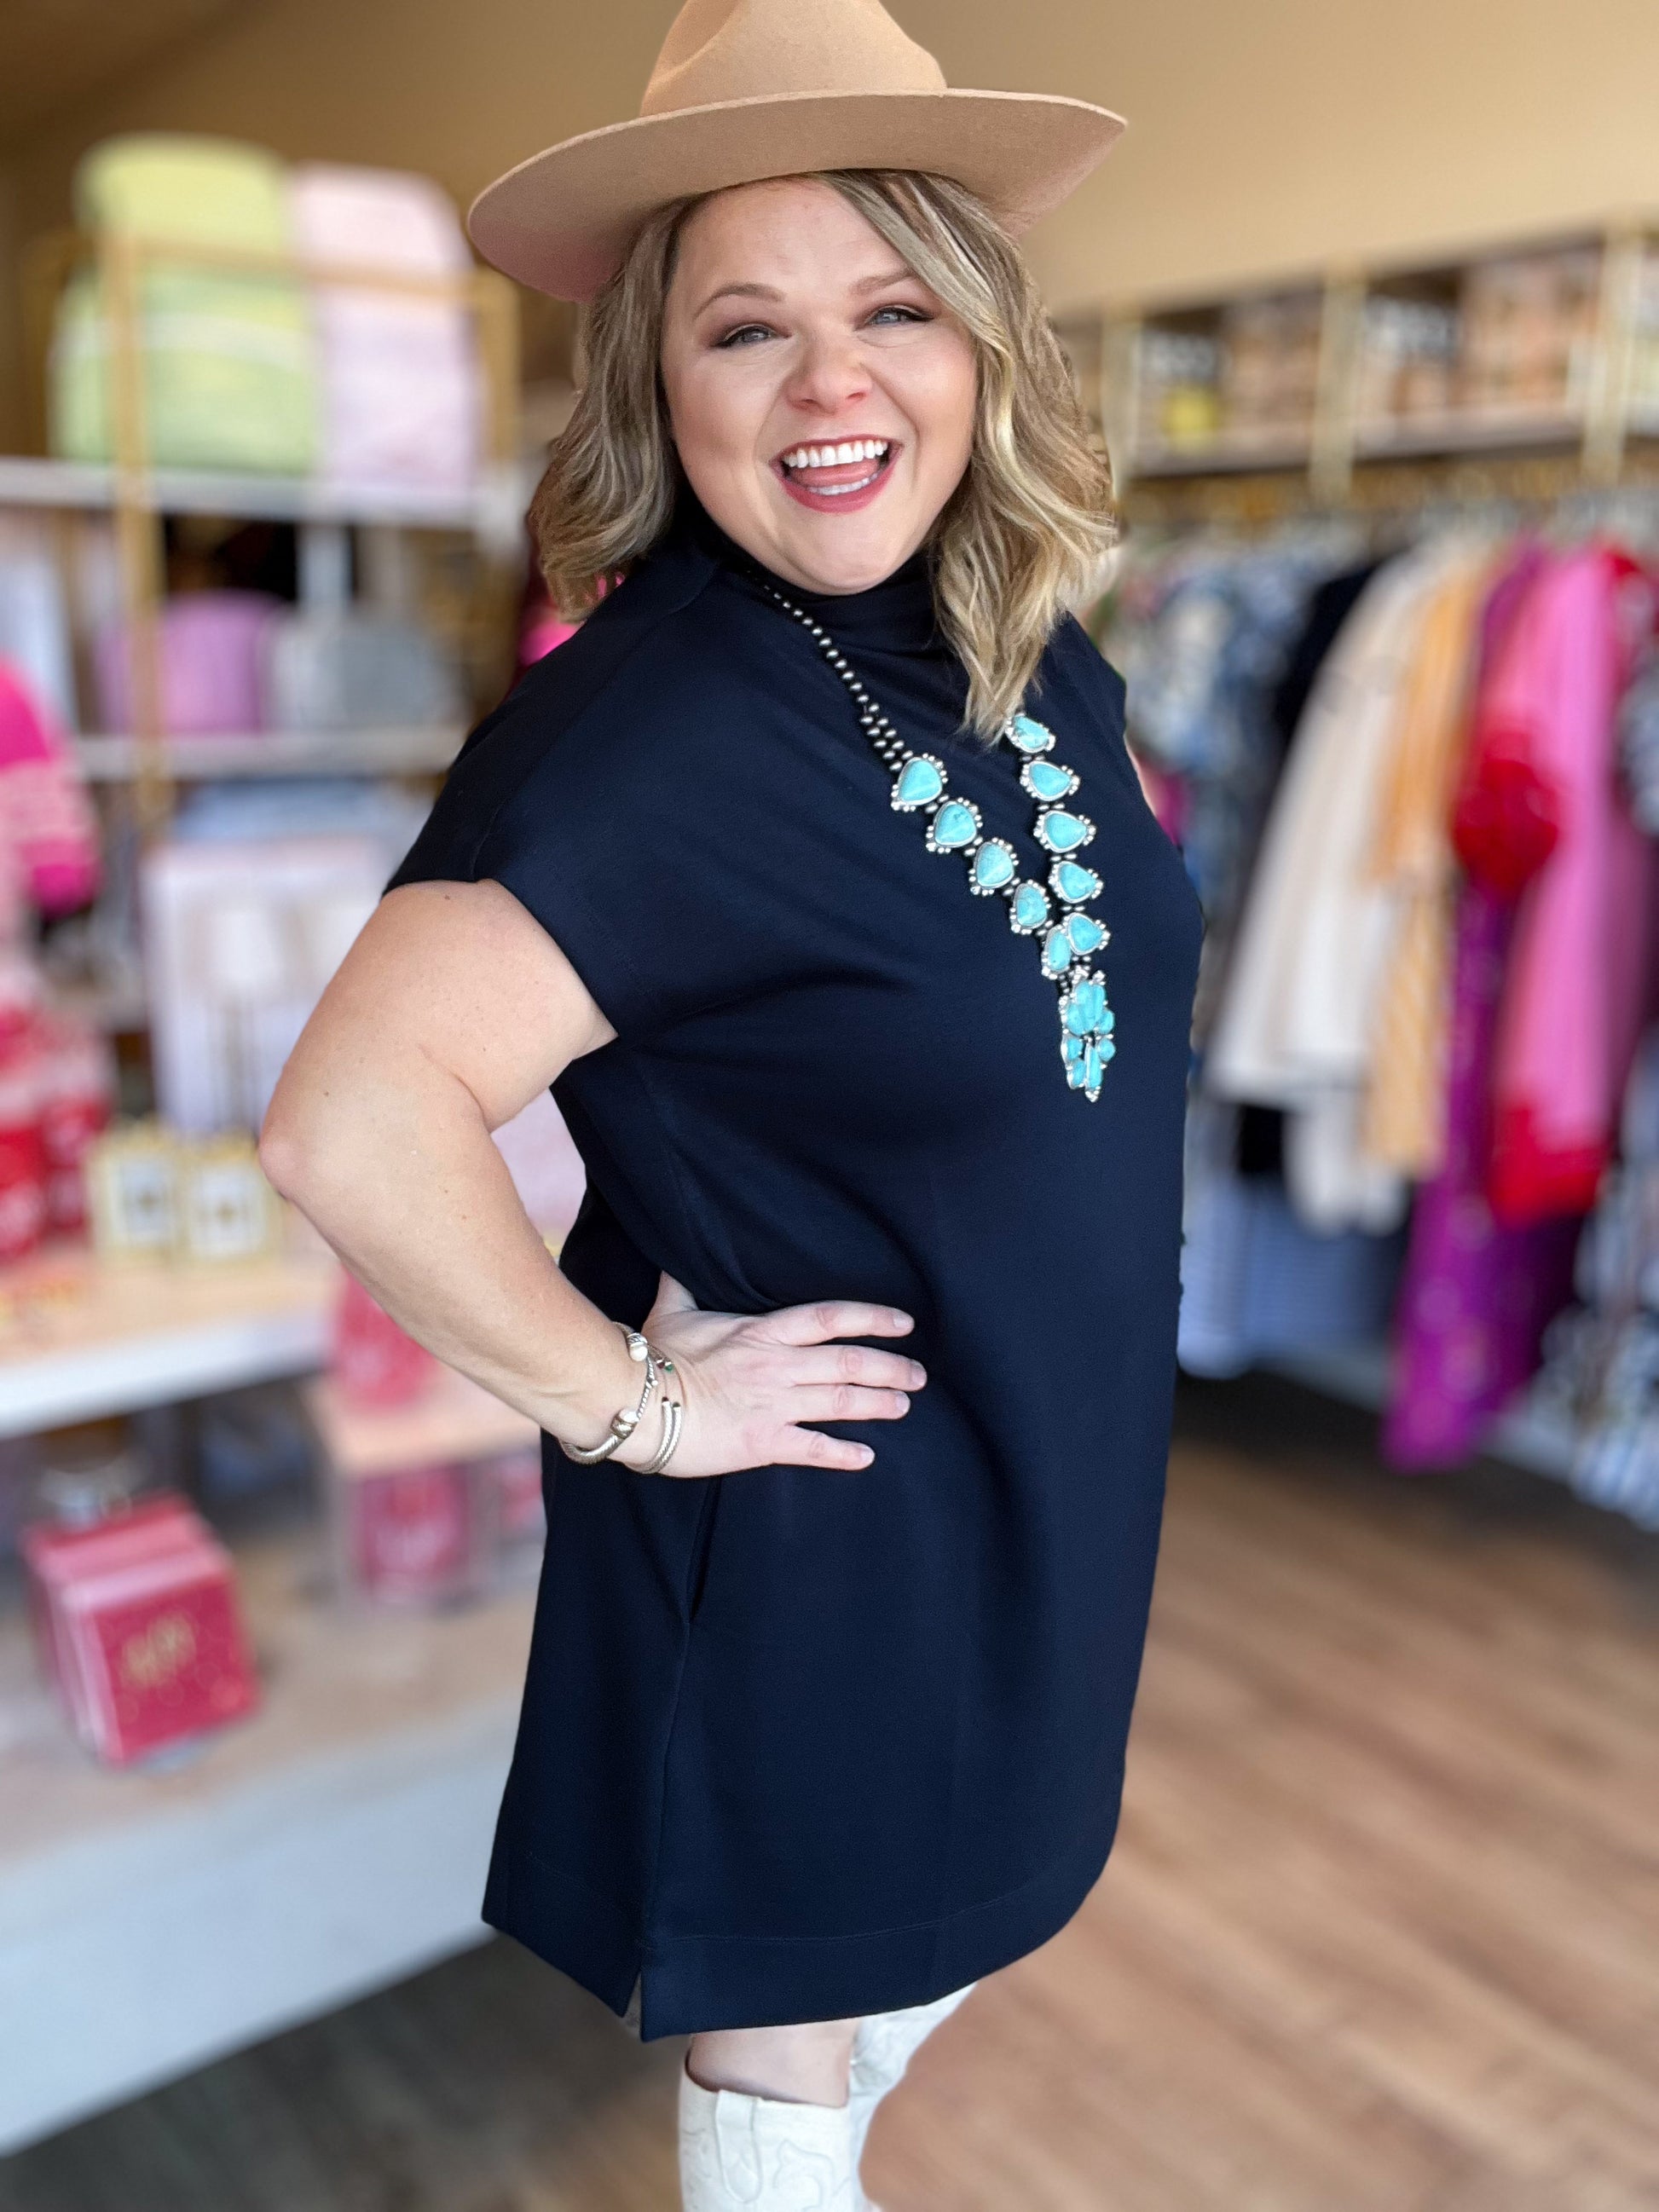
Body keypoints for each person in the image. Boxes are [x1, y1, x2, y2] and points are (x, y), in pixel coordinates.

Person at [259, 0, 1204, 2203]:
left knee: (907, 2018)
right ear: (654, 382)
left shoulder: (1020, 637)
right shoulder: (649, 734)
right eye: (746, 328)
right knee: (785, 2138)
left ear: (980, 333)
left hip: (1033, 1509)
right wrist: (640, 1410)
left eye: (892, 307)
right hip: (819, 1564)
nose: (829, 386)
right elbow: (350, 1120)